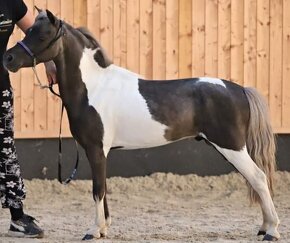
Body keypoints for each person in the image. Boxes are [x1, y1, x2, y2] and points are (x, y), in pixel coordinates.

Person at [0, 0, 56, 238]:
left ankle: (17, 219)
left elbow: (38, 33)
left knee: (6, 151)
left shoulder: (10, 2)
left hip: (0, 89)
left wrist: (50, 61)